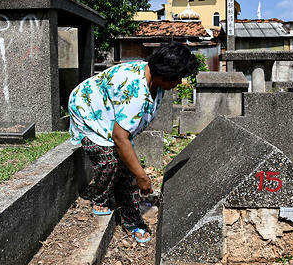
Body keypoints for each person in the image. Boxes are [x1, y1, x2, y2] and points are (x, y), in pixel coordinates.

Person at [68, 42, 199, 243]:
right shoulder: (136, 92)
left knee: (126, 166)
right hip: (87, 109)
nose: (179, 82)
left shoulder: (154, 80)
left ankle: (131, 218)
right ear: (164, 73)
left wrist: (136, 171)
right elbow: (120, 138)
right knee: (110, 160)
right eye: (178, 77)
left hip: (107, 112)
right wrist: (142, 176)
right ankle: (100, 199)